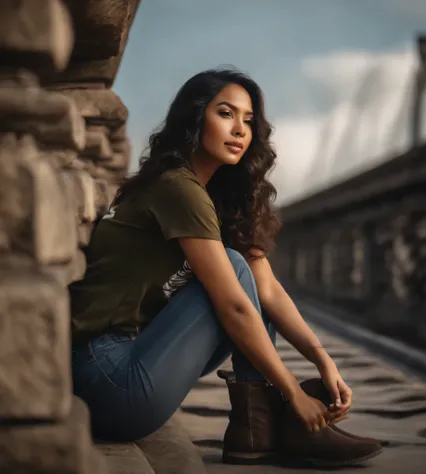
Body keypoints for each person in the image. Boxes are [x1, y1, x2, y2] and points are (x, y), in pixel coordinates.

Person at [69, 68, 383, 467]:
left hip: (125, 365)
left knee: (243, 271)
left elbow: (265, 290)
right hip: (106, 380)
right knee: (234, 271)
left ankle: (256, 429)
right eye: (226, 114)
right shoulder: (176, 188)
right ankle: (271, 423)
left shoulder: (206, 196)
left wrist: (323, 360)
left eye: (248, 121)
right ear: (194, 118)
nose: (240, 130)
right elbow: (235, 305)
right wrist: (294, 393)